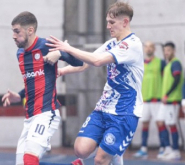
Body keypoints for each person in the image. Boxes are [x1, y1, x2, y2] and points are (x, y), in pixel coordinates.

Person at [45, 2, 144, 164]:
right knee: (80, 150)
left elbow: (97, 61)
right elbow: (86, 63)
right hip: (103, 109)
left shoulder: (132, 45)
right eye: (107, 22)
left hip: (124, 112)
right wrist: (62, 71)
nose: (107, 26)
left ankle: (112, 152)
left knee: (100, 160)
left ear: (125, 22)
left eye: (112, 22)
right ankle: (113, 151)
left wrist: (67, 48)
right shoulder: (112, 44)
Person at [1, 11, 83, 165]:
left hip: (46, 114)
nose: (13, 35)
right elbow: (33, 81)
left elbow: (80, 63)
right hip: (29, 117)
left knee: (30, 159)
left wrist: (59, 53)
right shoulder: (19, 53)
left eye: (17, 31)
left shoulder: (46, 46)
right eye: (13, 31)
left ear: (30, 30)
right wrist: (19, 96)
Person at [133, 41, 166, 159]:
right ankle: (143, 149)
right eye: (146, 47)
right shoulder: (140, 63)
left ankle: (163, 148)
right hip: (144, 99)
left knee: (160, 123)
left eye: (150, 46)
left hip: (157, 99)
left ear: (154, 49)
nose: (148, 49)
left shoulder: (161, 63)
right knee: (145, 124)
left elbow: (166, 79)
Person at [156, 42, 183, 160]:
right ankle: (167, 148)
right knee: (160, 122)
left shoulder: (176, 63)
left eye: (169, 50)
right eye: (165, 50)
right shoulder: (168, 64)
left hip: (173, 99)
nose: (166, 52)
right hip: (165, 101)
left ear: (174, 51)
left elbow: (176, 80)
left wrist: (167, 94)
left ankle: (176, 150)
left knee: (171, 124)